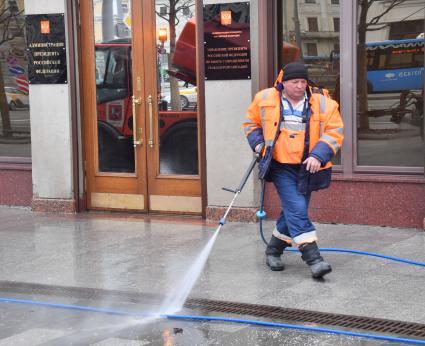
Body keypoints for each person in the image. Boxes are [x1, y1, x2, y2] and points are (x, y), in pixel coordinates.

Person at [243, 62, 344, 278]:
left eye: (303, 81)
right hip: (280, 166)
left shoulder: (324, 103)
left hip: (307, 167)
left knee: (292, 212)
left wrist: (318, 155)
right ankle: (314, 259)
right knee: (297, 208)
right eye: (294, 81)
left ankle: (273, 251)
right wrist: (259, 144)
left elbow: (335, 132)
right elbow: (250, 124)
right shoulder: (264, 98)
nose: (299, 86)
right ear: (283, 82)